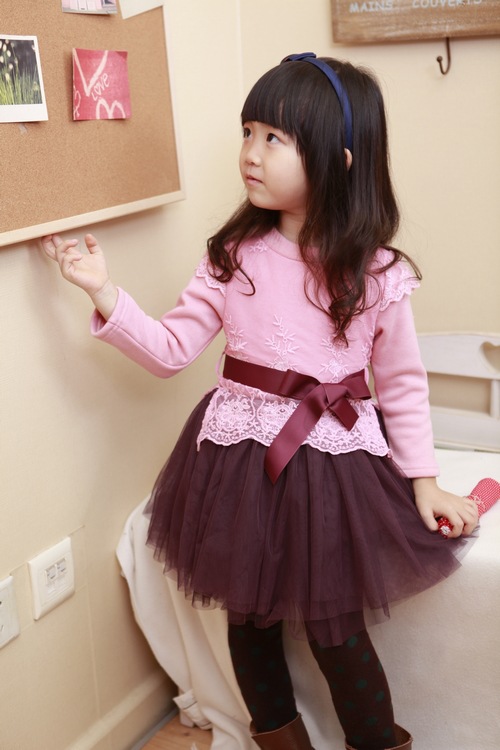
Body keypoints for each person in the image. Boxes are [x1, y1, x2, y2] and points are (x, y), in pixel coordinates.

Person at [42, 53, 478, 750]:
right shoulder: (234, 255)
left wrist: (422, 480)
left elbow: (401, 382)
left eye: (274, 138)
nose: (250, 152)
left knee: (336, 629)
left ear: (338, 160)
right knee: (249, 622)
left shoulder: (377, 273)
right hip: (240, 462)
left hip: (332, 467)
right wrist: (103, 291)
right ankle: (279, 741)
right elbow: (170, 350)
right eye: (248, 132)